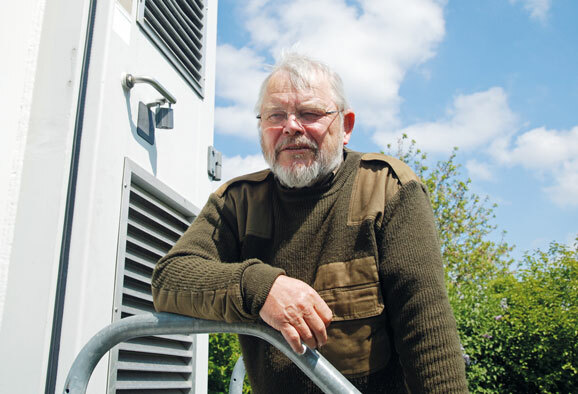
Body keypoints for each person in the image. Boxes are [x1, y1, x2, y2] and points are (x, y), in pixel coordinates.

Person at [152, 52, 468, 393]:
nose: (290, 126)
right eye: (275, 115)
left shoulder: (387, 189)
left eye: (310, 113)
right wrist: (261, 288)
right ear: (261, 129)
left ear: (345, 127)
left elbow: (427, 334)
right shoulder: (237, 201)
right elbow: (169, 279)